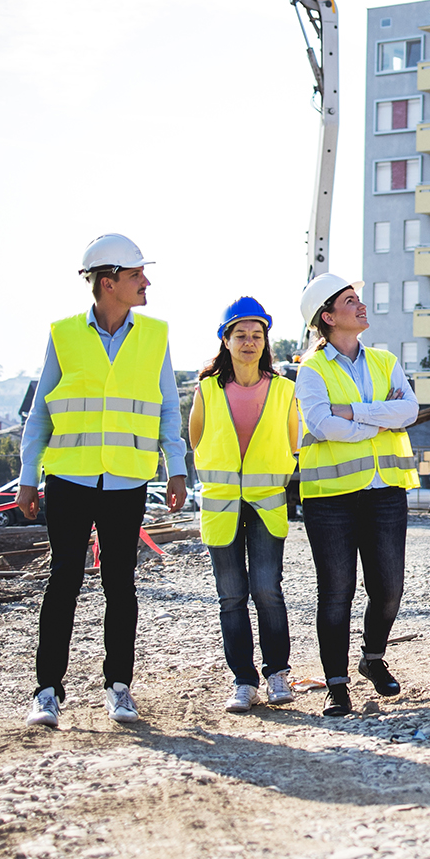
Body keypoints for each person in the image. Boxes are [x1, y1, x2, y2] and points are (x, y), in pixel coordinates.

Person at [20, 234, 187, 728]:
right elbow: (40, 413)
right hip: (69, 479)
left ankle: (119, 687)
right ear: (109, 282)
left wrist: (176, 467)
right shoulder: (64, 334)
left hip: (128, 478)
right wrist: (29, 477)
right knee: (63, 581)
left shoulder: (154, 334)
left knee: (121, 584)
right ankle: (47, 691)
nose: (147, 282)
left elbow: (168, 409)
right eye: (137, 275)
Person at [295, 273, 418, 716]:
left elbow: (409, 410)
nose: (361, 305)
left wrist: (353, 412)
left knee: (388, 588)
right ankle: (337, 684)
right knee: (336, 591)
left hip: (385, 490)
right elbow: (319, 423)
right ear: (327, 317)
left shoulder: (385, 361)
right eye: (350, 301)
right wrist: (378, 420)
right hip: (330, 498)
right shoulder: (311, 370)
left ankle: (372, 657)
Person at [189, 297, 299, 714]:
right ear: (226, 340)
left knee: (267, 590)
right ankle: (244, 681)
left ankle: (277, 674)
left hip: (266, 505)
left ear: (265, 340)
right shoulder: (207, 389)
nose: (249, 342)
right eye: (241, 335)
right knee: (231, 595)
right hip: (221, 508)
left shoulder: (284, 389)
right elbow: (197, 441)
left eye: (257, 335)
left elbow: (293, 443)